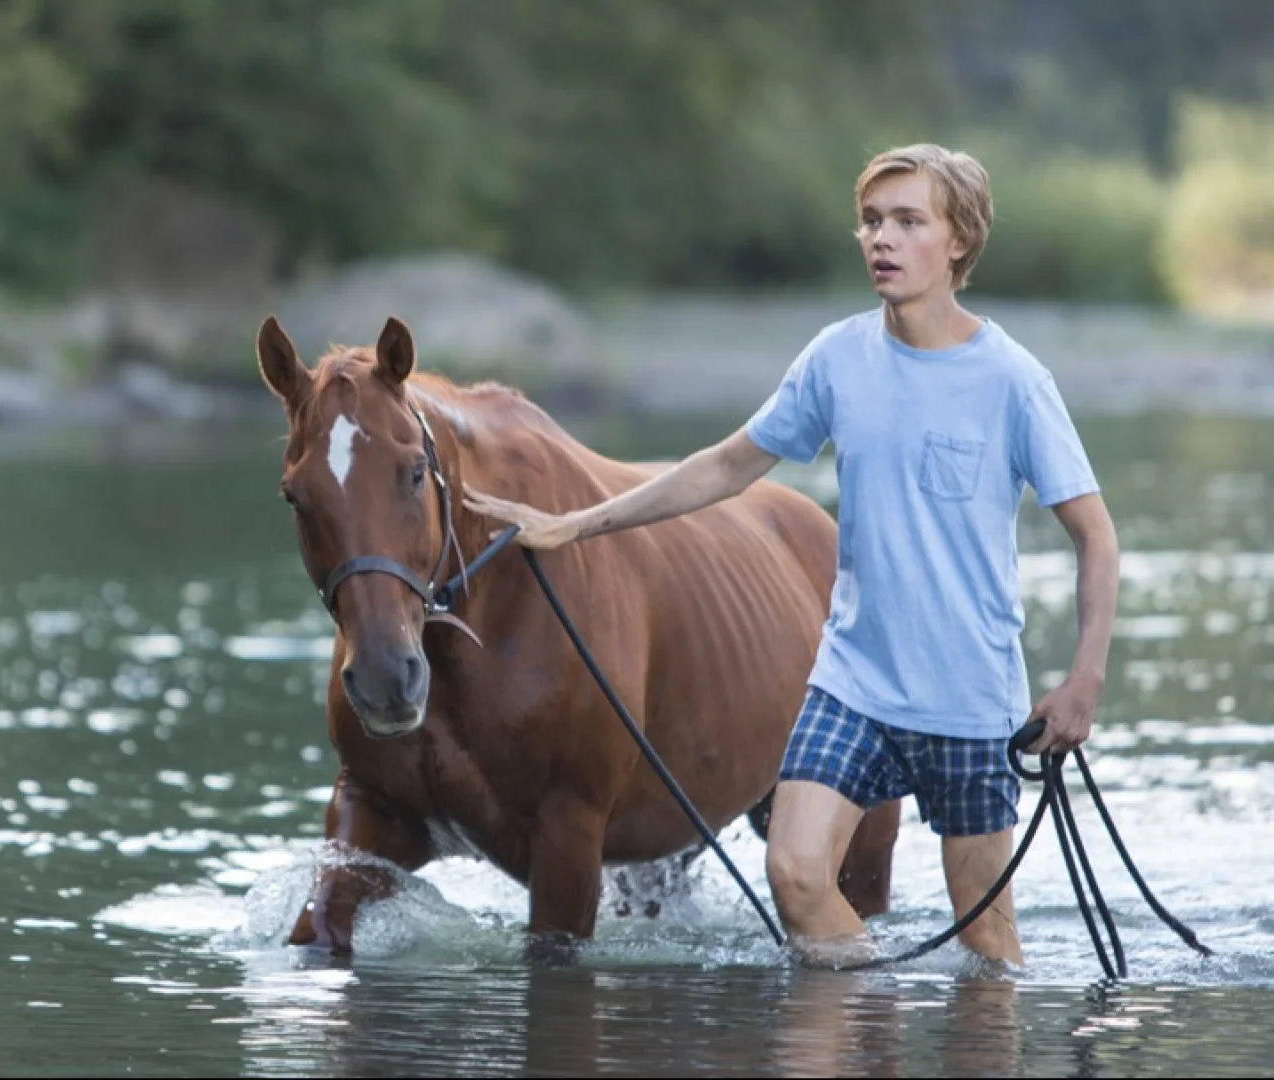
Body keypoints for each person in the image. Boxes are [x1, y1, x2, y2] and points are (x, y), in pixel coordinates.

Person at [463, 144, 1120, 966]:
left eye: (908, 222)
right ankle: (871, 1007)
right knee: (797, 874)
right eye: (872, 222)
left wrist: (1084, 681)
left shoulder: (1014, 381)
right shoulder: (837, 358)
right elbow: (727, 466)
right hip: (854, 685)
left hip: (972, 697)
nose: (882, 239)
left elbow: (1096, 536)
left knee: (987, 941)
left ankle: (915, 1018)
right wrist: (578, 523)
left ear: (959, 240)